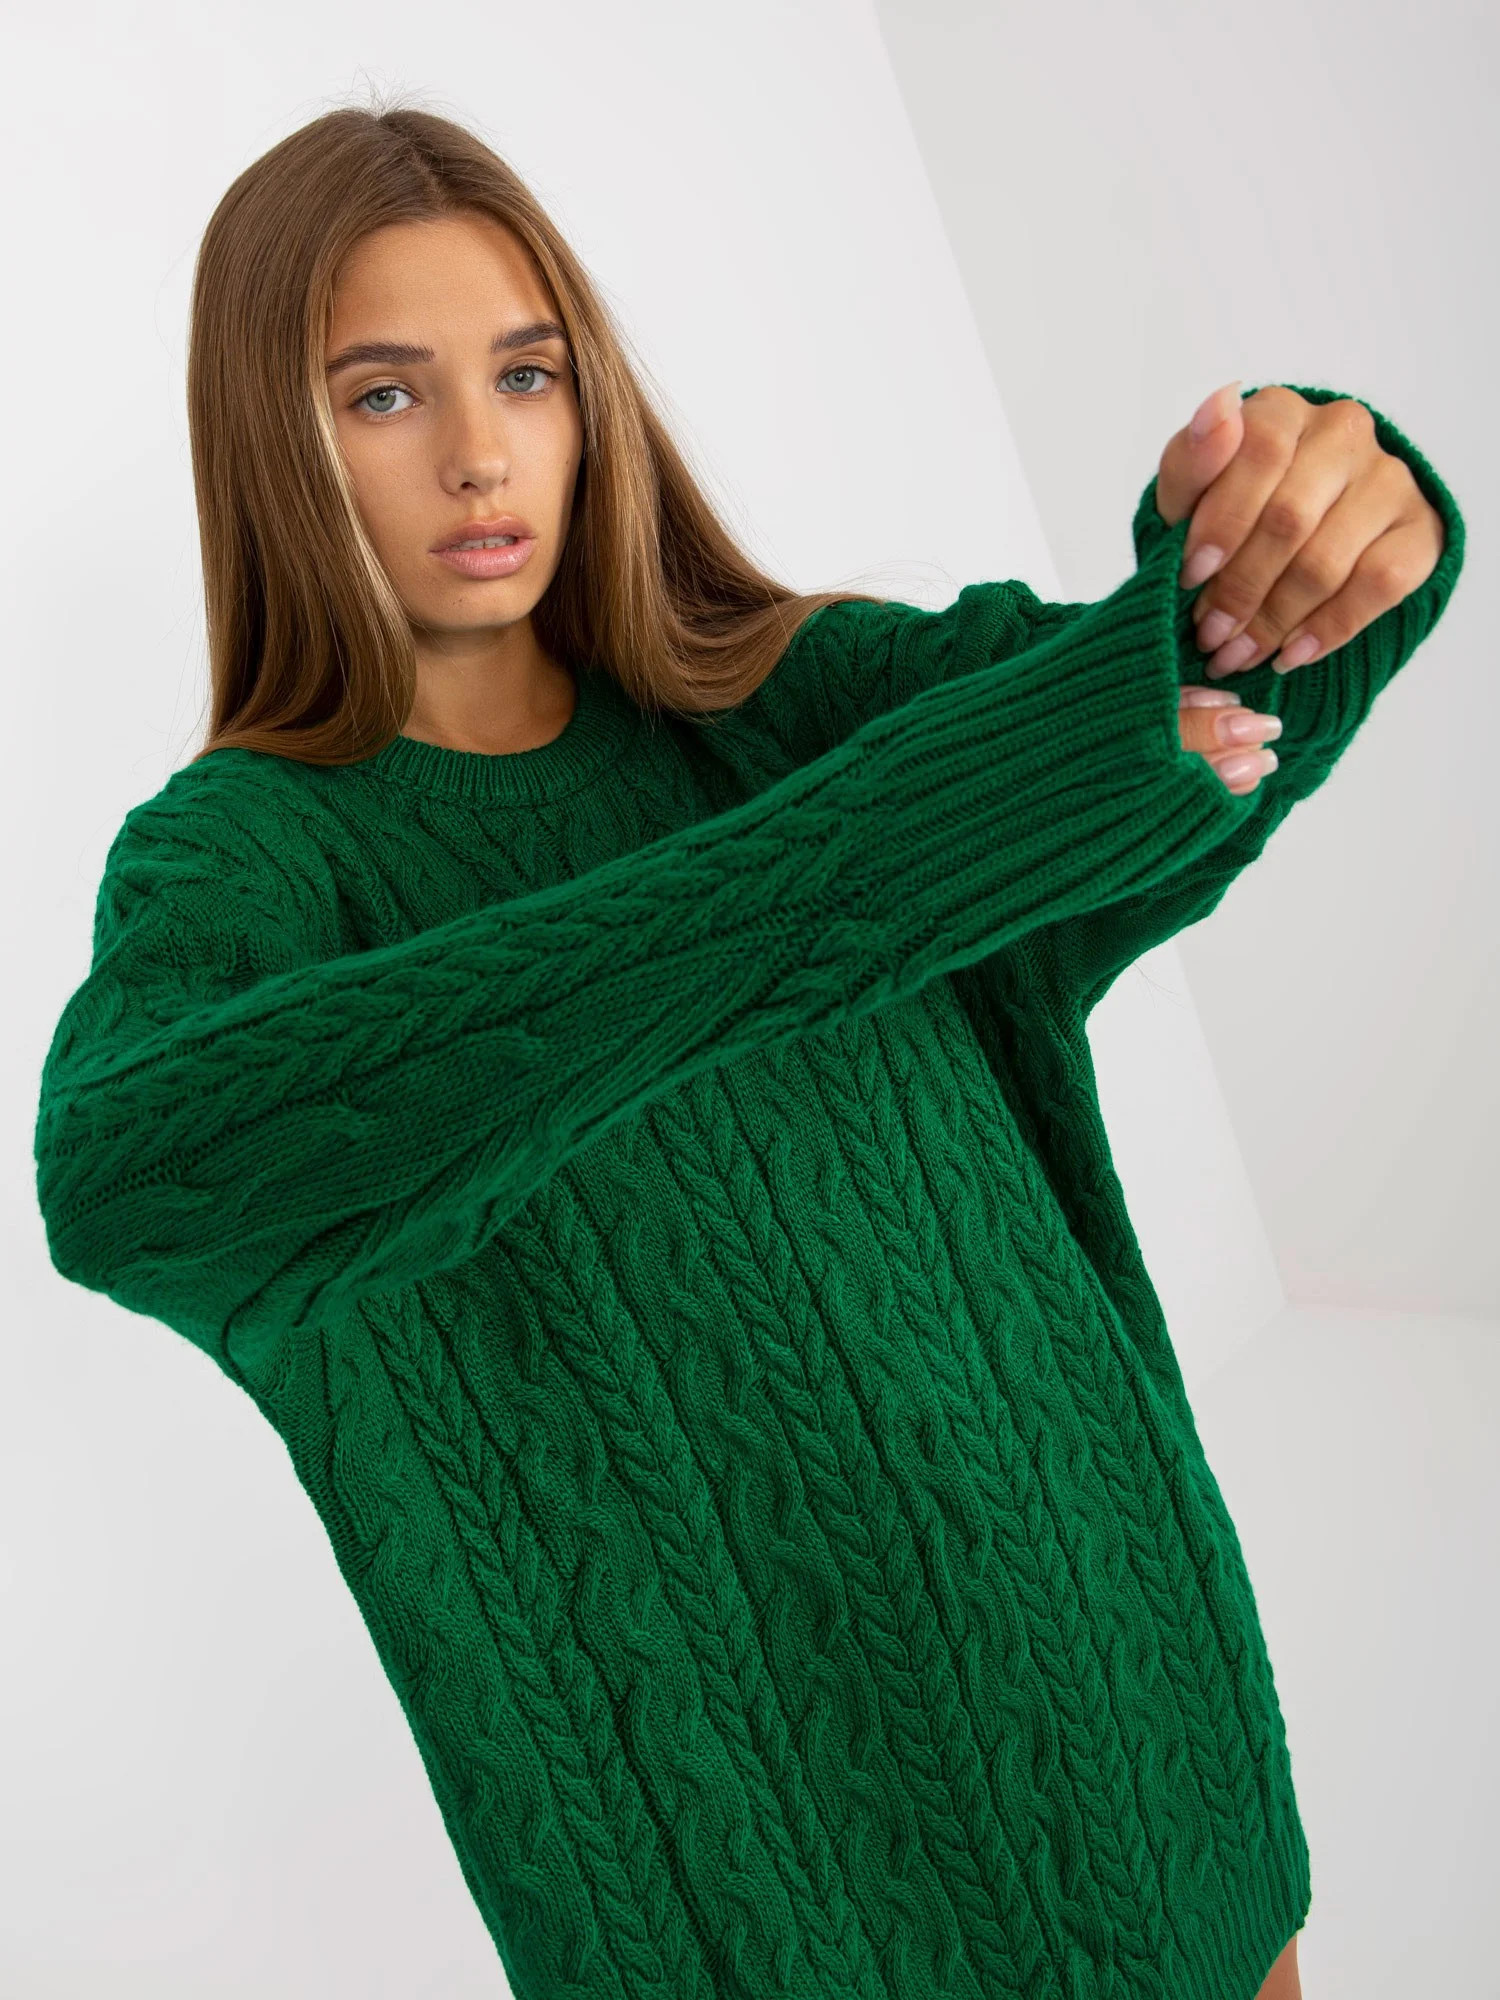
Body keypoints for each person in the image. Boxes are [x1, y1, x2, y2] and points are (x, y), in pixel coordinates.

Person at [33, 93, 1463, 2000]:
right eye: (382, 394)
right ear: (270, 440)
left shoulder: (789, 694)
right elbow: (134, 1173)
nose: (479, 452)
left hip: (1136, 1716)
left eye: (526, 372)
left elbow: (1187, 701)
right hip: (764, 1899)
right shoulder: (249, 858)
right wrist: (849, 872)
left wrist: (1327, 510)